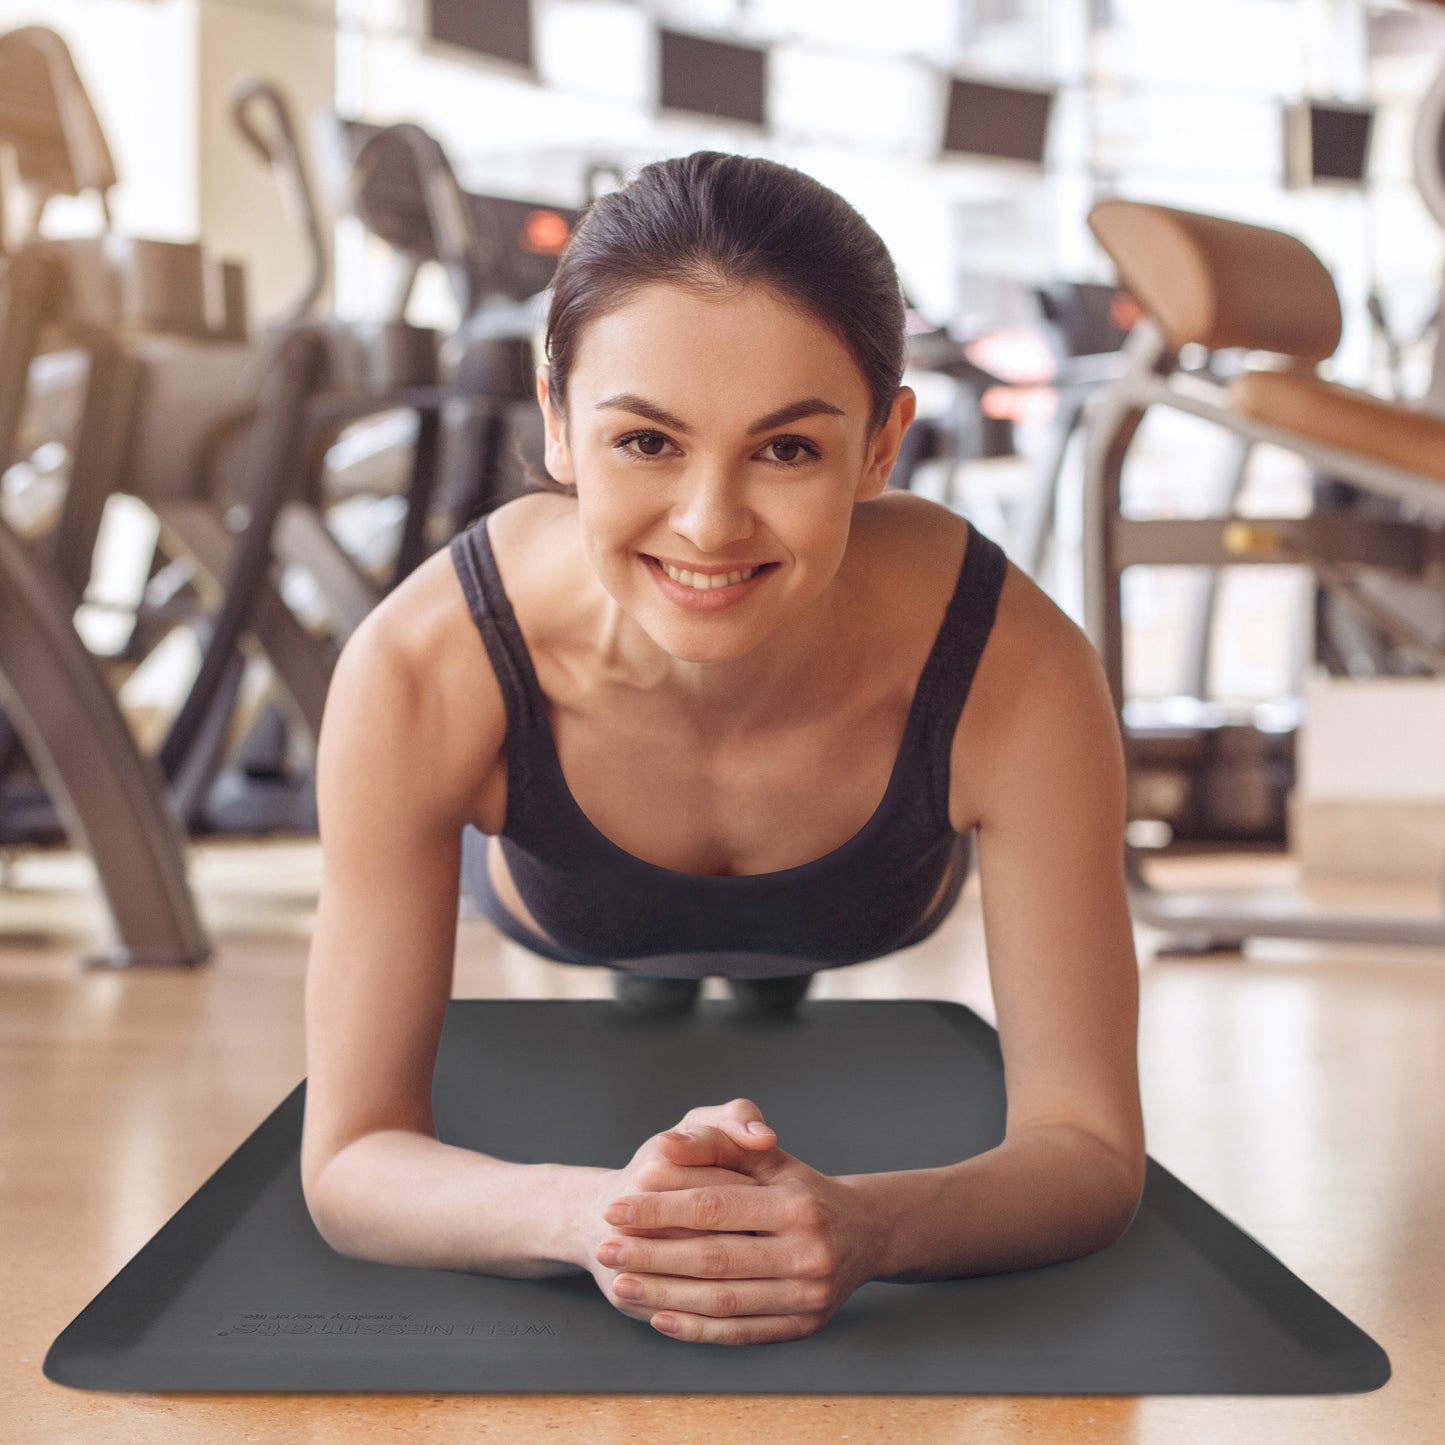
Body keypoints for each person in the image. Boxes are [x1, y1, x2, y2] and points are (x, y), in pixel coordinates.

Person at [300, 151, 1145, 1348]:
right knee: (647, 972)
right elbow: (347, 1161)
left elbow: (1093, 1151)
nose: (709, 523)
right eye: (645, 441)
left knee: (768, 973)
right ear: (555, 422)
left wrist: (868, 1226)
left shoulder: (1014, 666)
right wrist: (601, 1213)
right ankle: (670, 963)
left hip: (864, 900)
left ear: (878, 447)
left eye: (787, 450)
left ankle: (762, 965)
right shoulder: (424, 664)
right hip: (572, 902)